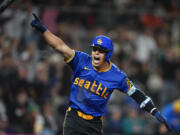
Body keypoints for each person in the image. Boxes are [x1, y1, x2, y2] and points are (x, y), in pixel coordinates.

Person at [30, 13, 172, 135]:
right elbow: (59, 46)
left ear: (108, 54)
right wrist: (44, 30)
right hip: (73, 118)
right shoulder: (81, 60)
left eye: (100, 50)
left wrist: (154, 111)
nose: (96, 53)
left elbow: (136, 94)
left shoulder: (118, 76)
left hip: (94, 124)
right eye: (94, 49)